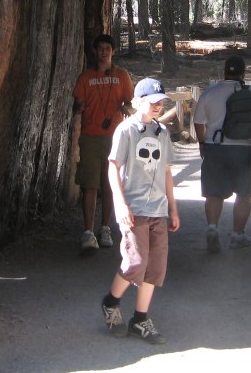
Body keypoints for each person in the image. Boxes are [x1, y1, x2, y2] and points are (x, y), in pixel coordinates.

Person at [100, 77, 180, 344]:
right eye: (153, 101)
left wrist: (173, 208)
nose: (158, 106)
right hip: (134, 207)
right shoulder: (126, 130)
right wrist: (120, 203)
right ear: (138, 101)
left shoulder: (163, 133)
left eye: (161, 102)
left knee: (155, 267)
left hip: (158, 208)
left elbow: (166, 171)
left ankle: (140, 319)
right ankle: (111, 303)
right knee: (136, 261)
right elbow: (114, 167)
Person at [192, 56, 251, 253]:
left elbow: (198, 121)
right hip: (244, 148)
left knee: (214, 193)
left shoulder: (209, 93)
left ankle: (212, 227)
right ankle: (237, 235)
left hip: (215, 147)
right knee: (244, 193)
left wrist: (202, 143)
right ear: (243, 73)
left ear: (224, 72)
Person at [72, 33, 134, 251]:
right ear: (95, 51)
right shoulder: (86, 77)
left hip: (115, 138)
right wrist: (79, 108)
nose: (104, 51)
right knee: (90, 184)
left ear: (113, 51)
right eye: (100, 48)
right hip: (90, 136)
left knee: (110, 184)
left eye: (108, 47)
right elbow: (78, 102)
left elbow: (130, 103)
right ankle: (88, 231)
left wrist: (126, 110)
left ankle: (105, 228)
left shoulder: (122, 76)